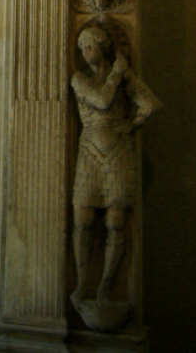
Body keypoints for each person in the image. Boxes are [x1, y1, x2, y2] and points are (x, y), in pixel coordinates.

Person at [71, 24, 160, 308]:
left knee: (115, 221)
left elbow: (150, 104)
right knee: (83, 217)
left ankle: (106, 285)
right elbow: (101, 100)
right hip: (89, 151)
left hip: (118, 154)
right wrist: (118, 73)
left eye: (90, 45)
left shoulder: (122, 77)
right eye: (82, 47)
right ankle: (83, 283)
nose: (86, 52)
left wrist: (131, 125)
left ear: (104, 46)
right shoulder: (79, 79)